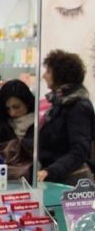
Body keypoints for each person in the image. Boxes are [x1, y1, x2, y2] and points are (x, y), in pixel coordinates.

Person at [38, 49, 95, 185]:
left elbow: (79, 151)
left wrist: (50, 171)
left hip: (69, 183)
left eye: (48, 71)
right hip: (56, 177)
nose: (44, 76)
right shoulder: (59, 103)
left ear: (60, 74)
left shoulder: (78, 106)